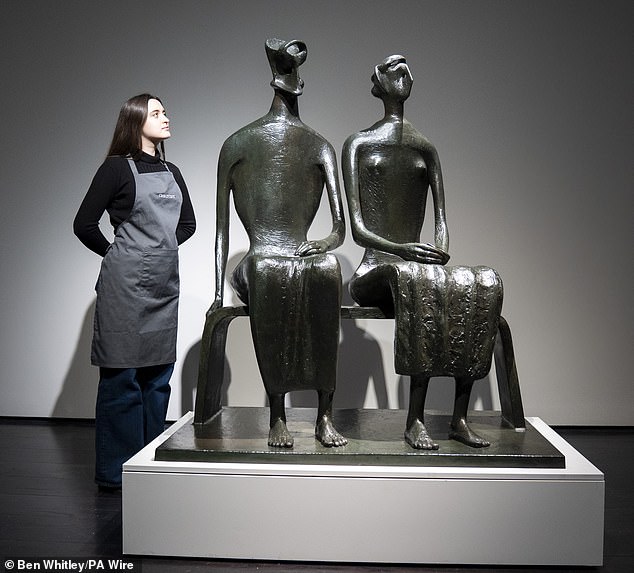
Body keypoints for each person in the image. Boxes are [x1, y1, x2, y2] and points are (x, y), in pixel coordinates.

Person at [342, 56, 503, 449]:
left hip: (415, 268)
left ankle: (459, 417)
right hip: (374, 271)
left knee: (481, 282)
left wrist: (440, 249)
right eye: (394, 69)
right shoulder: (358, 144)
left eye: (408, 70)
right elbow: (359, 231)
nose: (405, 75)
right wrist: (403, 249)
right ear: (377, 81)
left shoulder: (425, 147)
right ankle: (415, 418)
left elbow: (442, 219)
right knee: (416, 280)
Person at [211, 39, 347, 448]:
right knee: (268, 271)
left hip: (300, 252)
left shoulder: (319, 145)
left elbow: (338, 228)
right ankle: (277, 413)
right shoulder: (237, 143)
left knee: (328, 270)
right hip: (260, 256)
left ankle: (325, 413)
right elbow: (222, 230)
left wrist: (324, 243)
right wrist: (216, 292)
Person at [73, 93, 196, 489]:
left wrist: (159, 248)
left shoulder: (172, 171)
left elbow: (188, 224)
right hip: (124, 286)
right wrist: (119, 253)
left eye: (164, 111)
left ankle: (149, 465)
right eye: (156, 112)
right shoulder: (115, 169)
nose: (165, 117)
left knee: (157, 380)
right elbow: (84, 224)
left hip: (162, 284)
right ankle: (116, 474)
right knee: (122, 380)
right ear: (135, 120)